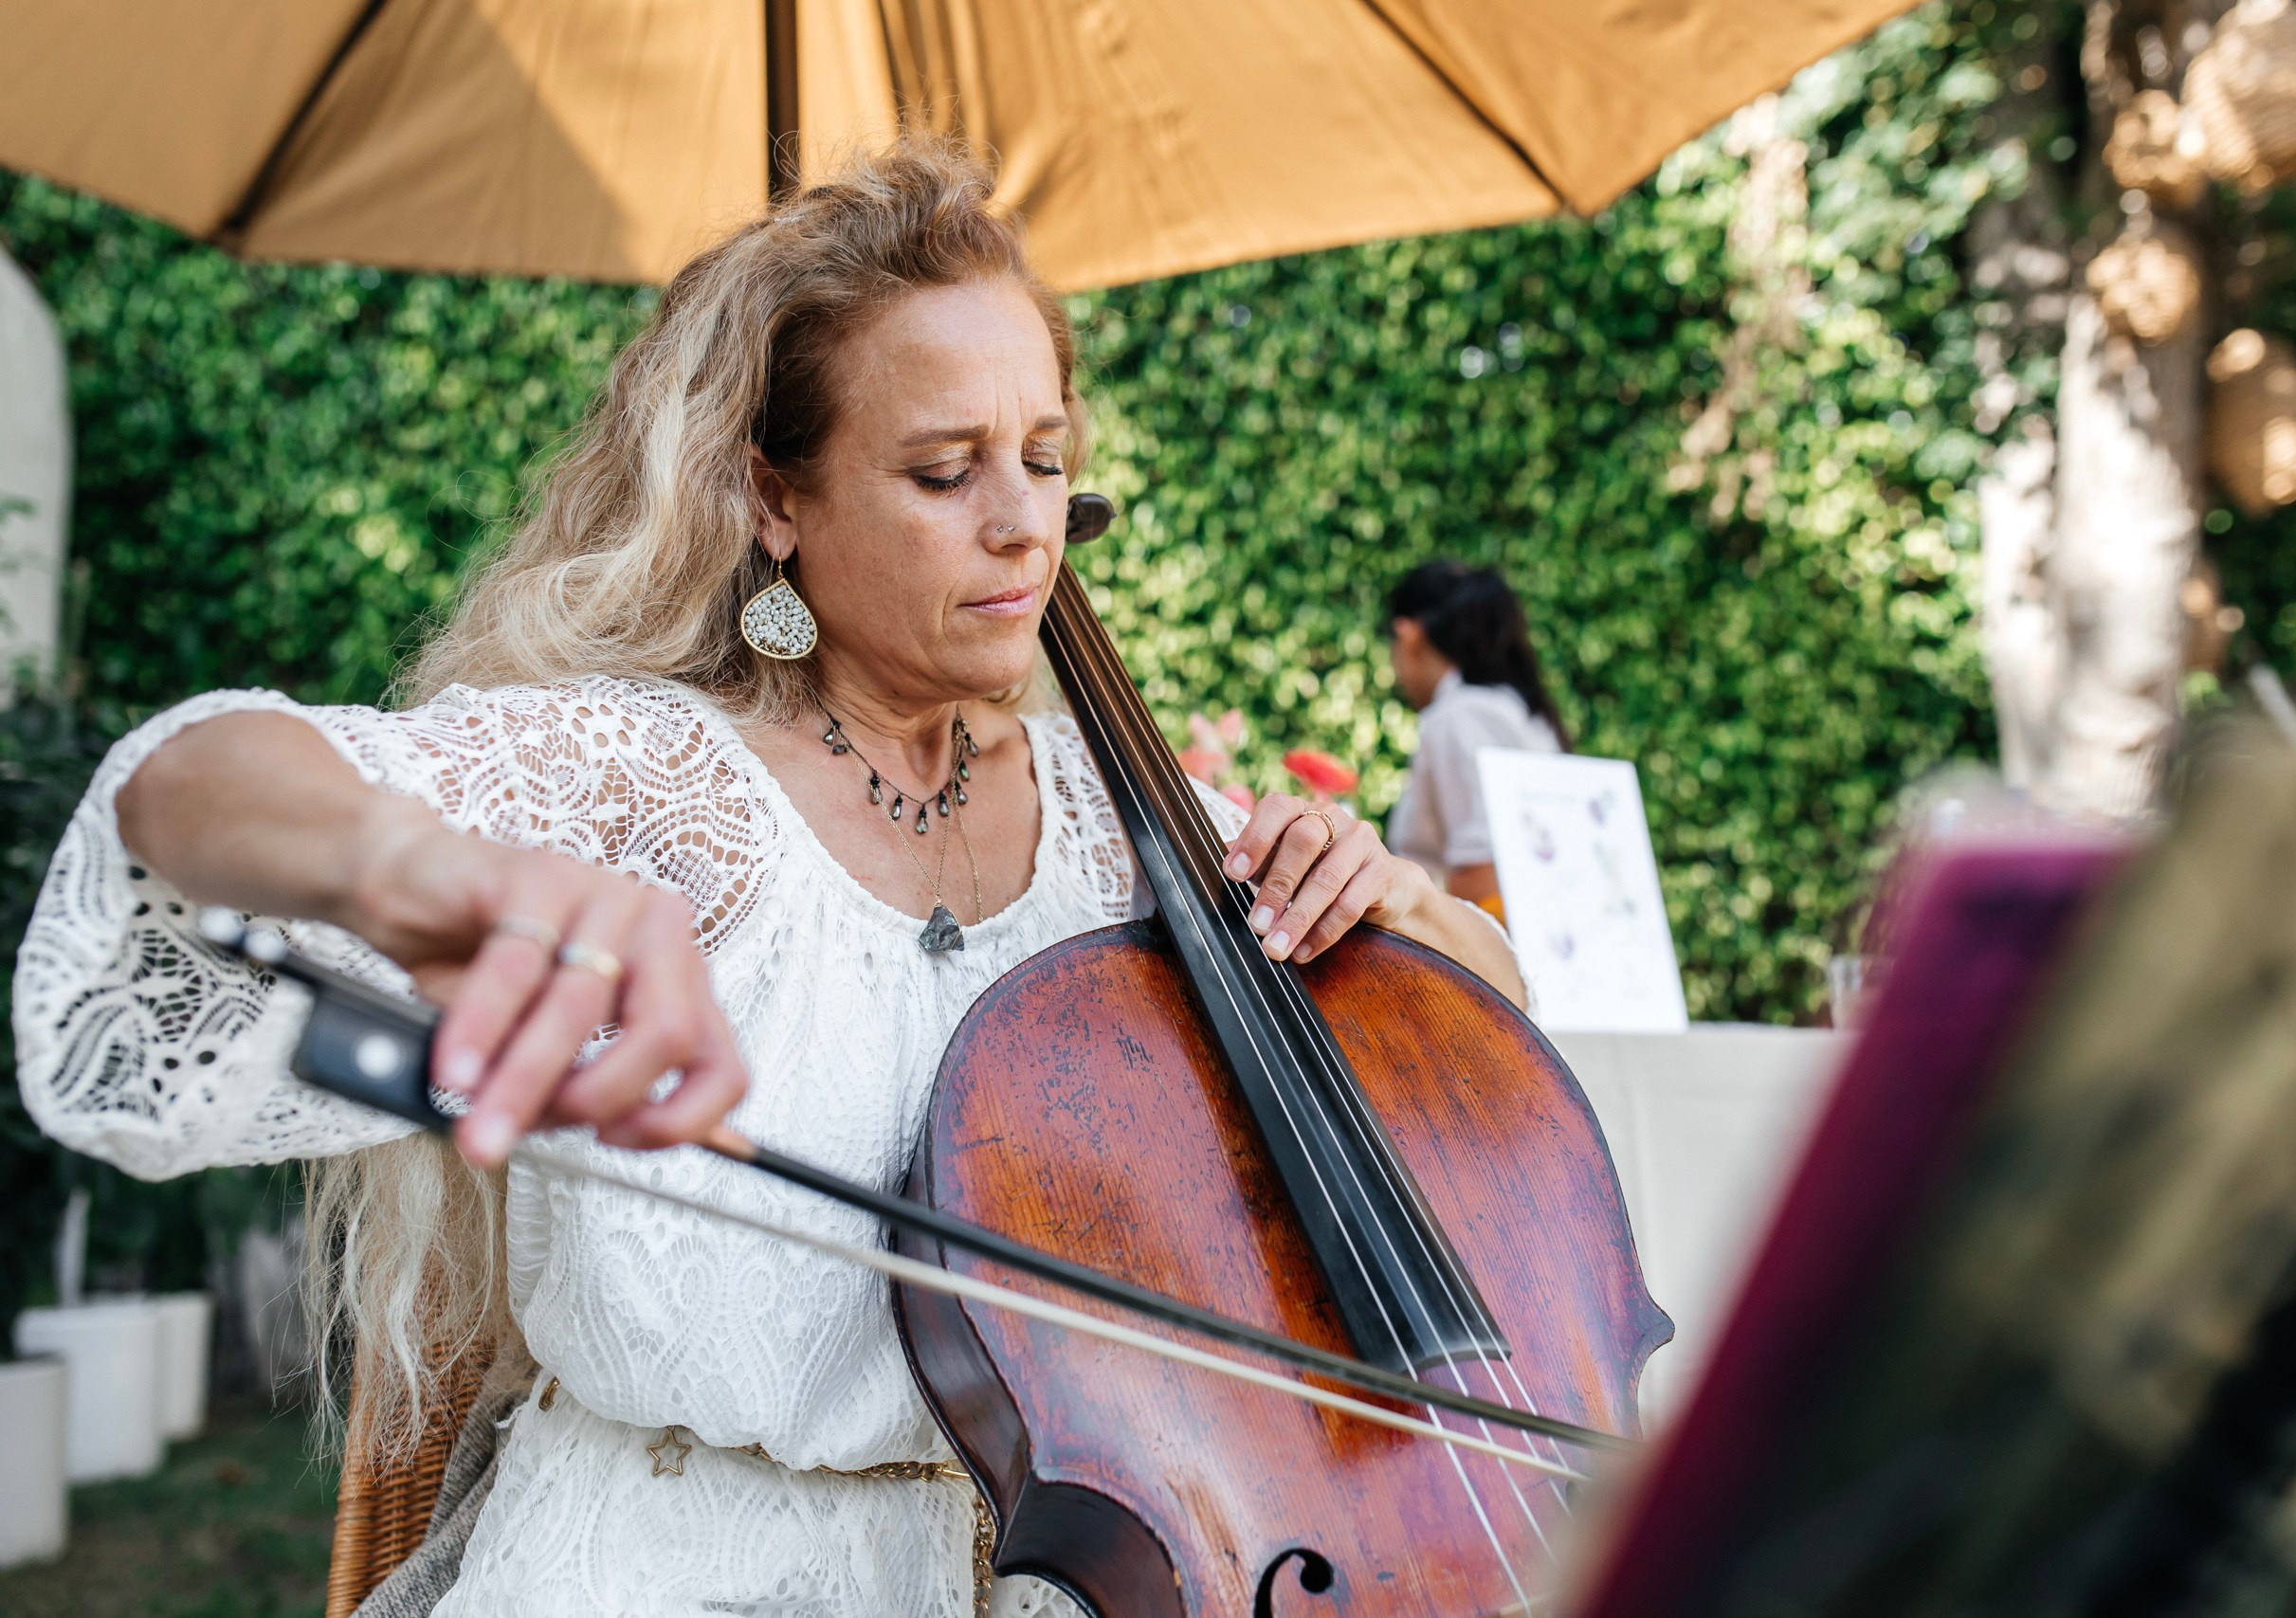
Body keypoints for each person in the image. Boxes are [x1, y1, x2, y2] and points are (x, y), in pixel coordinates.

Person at [12, 142, 1523, 1618]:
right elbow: (184, 786)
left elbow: (1496, 1071)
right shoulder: (653, 783)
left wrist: (1388, 905)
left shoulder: (1135, 831)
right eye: (944, 470)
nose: (1023, 524)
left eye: (1046, 457)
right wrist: (405, 868)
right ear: (773, 499)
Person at [1383, 559, 1570, 919]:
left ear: (1408, 635)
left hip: (1473, 946)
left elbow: (1480, 871)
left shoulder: (1460, 718)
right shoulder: (1519, 709)